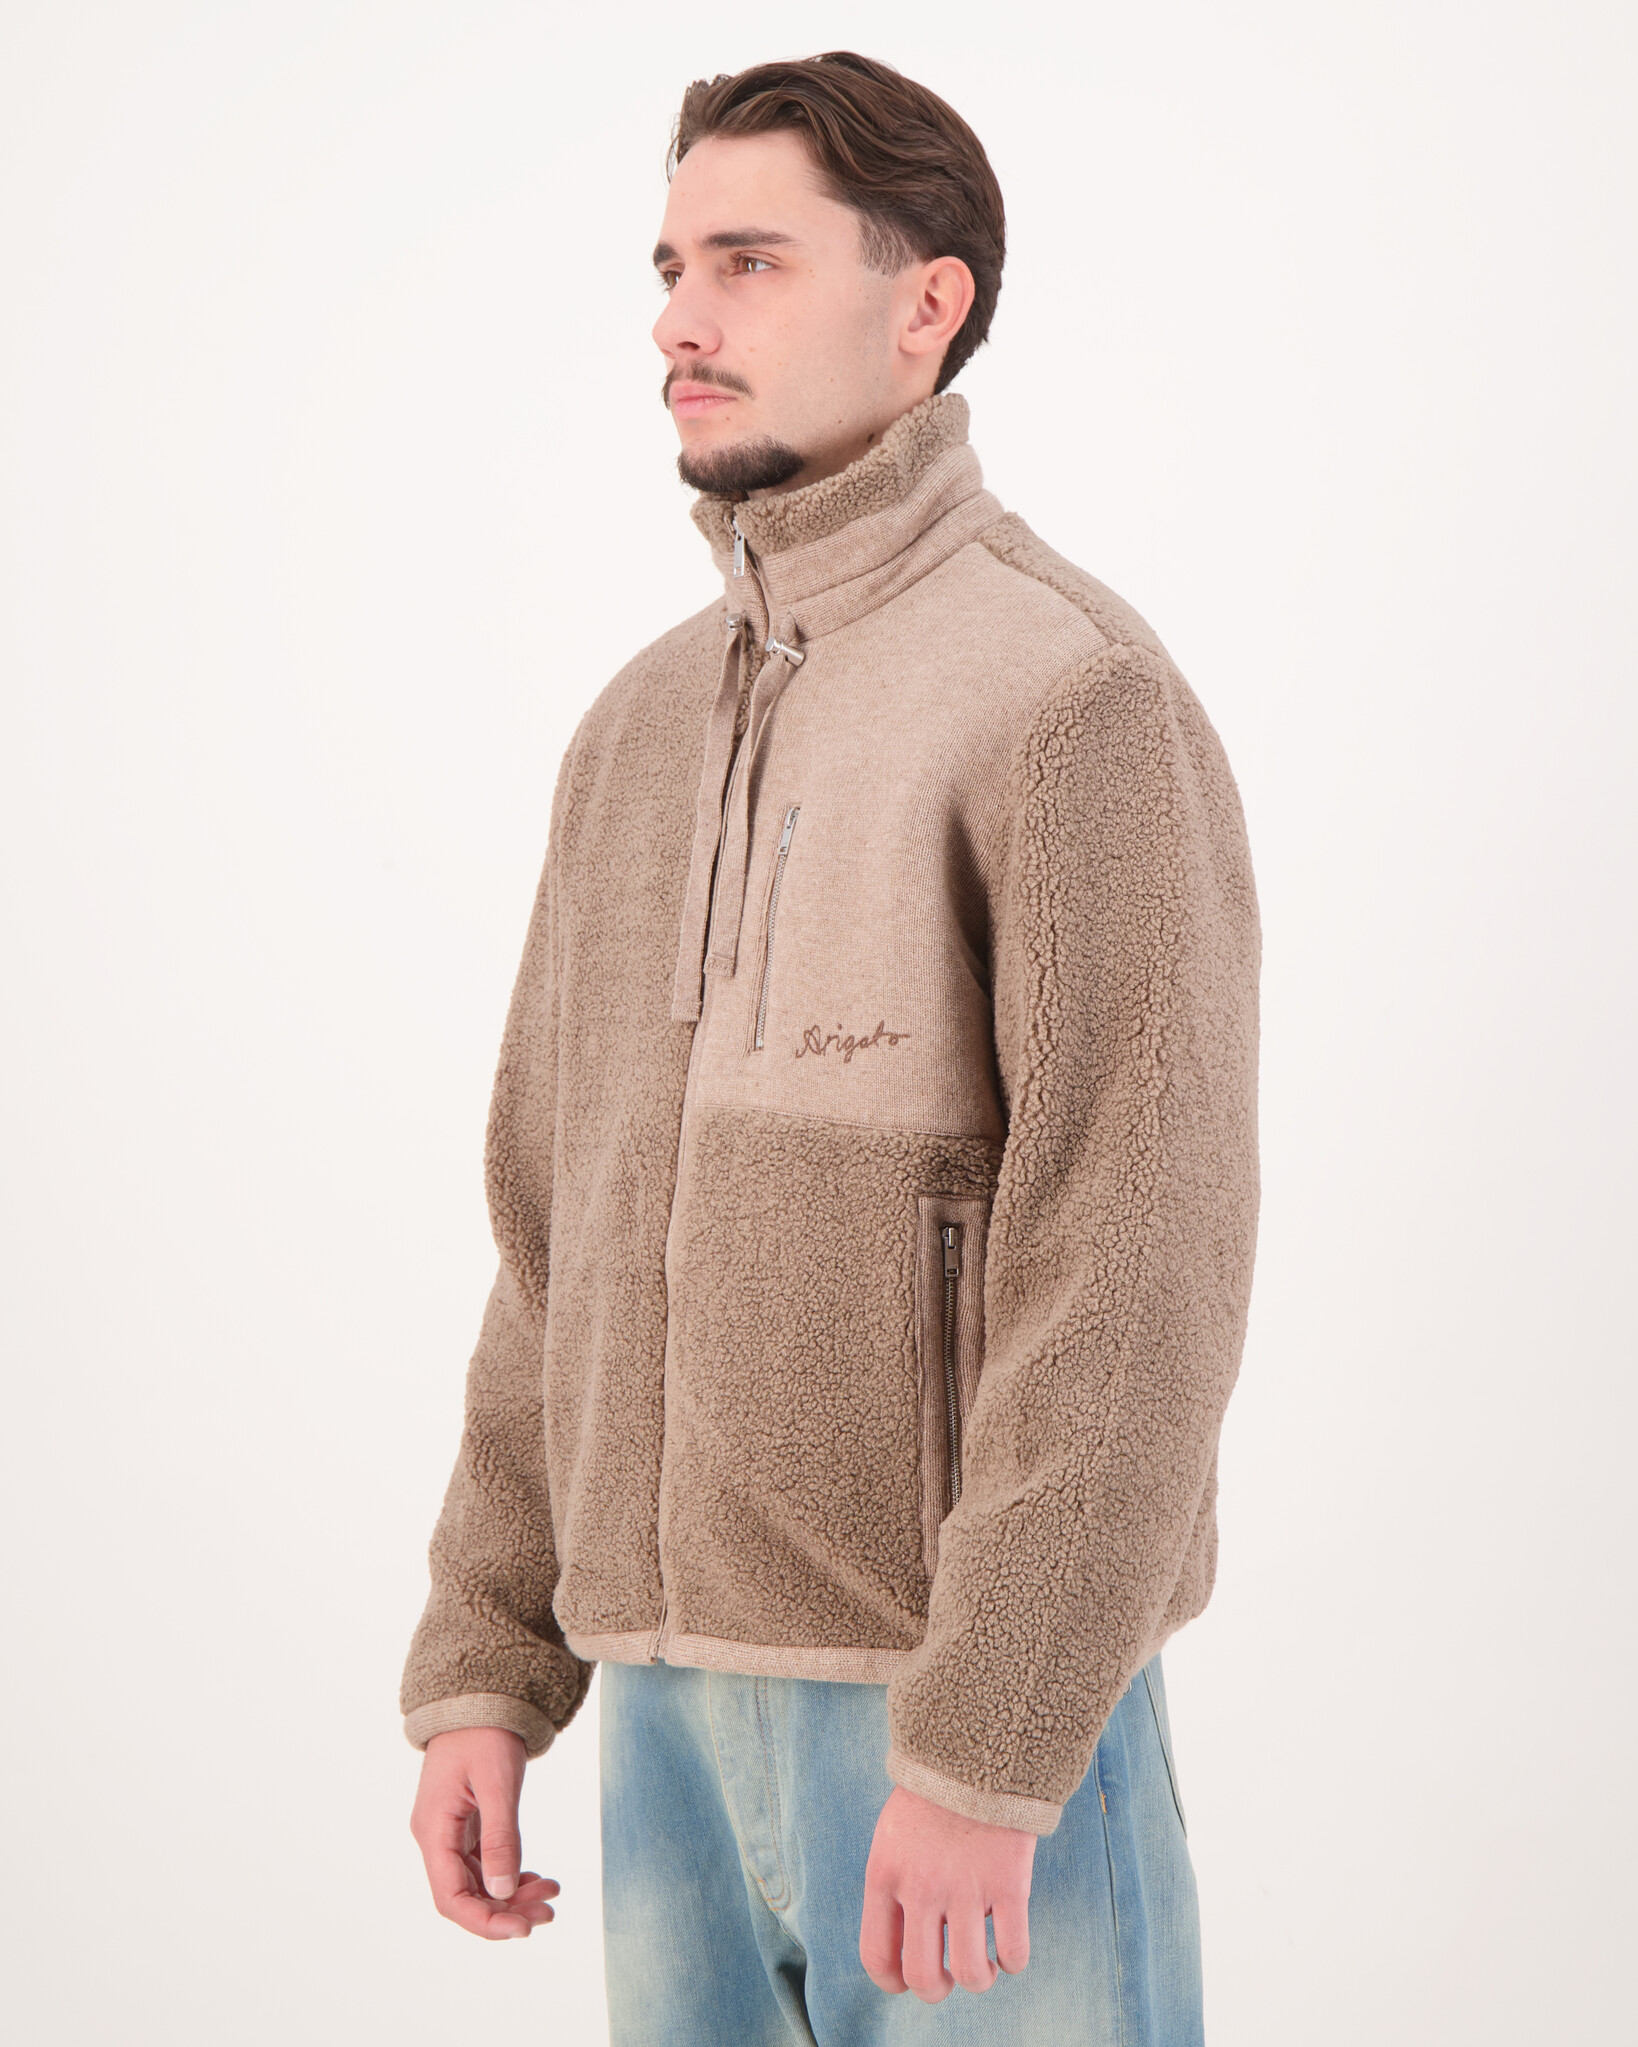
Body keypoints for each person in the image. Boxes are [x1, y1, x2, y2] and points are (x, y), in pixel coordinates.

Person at [402, 50, 1260, 2046]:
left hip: (953, 1724)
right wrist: (487, 1662)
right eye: (670, 266)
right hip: (666, 1732)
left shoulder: (1068, 695)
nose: (678, 320)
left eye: (750, 261)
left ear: (925, 300)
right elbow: (554, 1232)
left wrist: (990, 1742)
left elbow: (1136, 1270)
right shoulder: (636, 731)